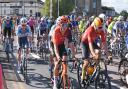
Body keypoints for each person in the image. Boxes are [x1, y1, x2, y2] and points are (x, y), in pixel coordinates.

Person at [81, 17, 107, 85]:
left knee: (99, 52)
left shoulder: (101, 30)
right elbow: (90, 45)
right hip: (85, 42)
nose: (100, 29)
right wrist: (93, 54)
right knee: (86, 62)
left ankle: (95, 69)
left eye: (101, 27)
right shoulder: (90, 30)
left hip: (91, 42)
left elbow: (104, 43)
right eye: (99, 27)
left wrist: (108, 55)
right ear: (95, 26)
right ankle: (83, 78)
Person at [51, 16, 69, 89]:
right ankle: (55, 82)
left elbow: (67, 43)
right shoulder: (56, 31)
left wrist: (66, 51)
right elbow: (55, 46)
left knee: (65, 61)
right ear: (60, 25)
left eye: (66, 25)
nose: (65, 27)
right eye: (64, 25)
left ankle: (64, 74)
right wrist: (58, 57)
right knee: (57, 64)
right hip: (55, 45)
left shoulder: (68, 30)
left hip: (62, 45)